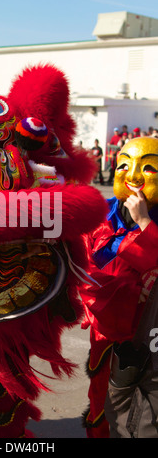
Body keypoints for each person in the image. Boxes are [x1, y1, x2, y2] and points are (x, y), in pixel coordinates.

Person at [81, 136, 158, 438]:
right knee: (100, 399)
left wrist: (143, 223)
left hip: (148, 333)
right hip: (104, 330)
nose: (134, 175)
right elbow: (80, 264)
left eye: (148, 168)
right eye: (124, 165)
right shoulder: (100, 214)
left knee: (144, 412)